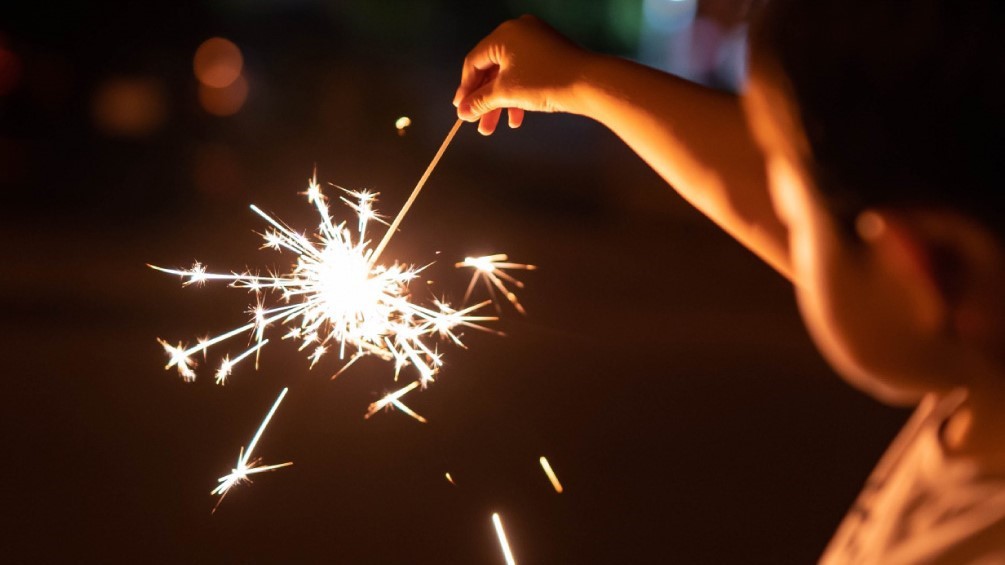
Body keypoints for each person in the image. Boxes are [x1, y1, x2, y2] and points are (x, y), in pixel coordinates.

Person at [452, 2, 1005, 562]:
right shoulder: (979, 367)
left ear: (928, 270)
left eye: (791, 210)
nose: (778, 215)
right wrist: (582, 80)